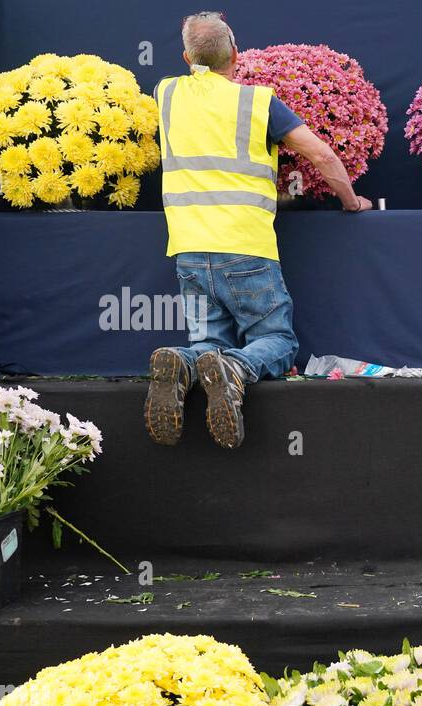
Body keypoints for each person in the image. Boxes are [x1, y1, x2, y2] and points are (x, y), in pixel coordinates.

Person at [144, 11, 373, 449]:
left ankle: (182, 361)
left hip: (188, 251)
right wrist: (351, 201)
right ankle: (235, 371)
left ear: (186, 57)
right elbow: (322, 157)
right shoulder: (259, 102)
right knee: (277, 341)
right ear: (237, 54)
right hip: (246, 249)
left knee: (207, 340)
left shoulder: (166, 93)